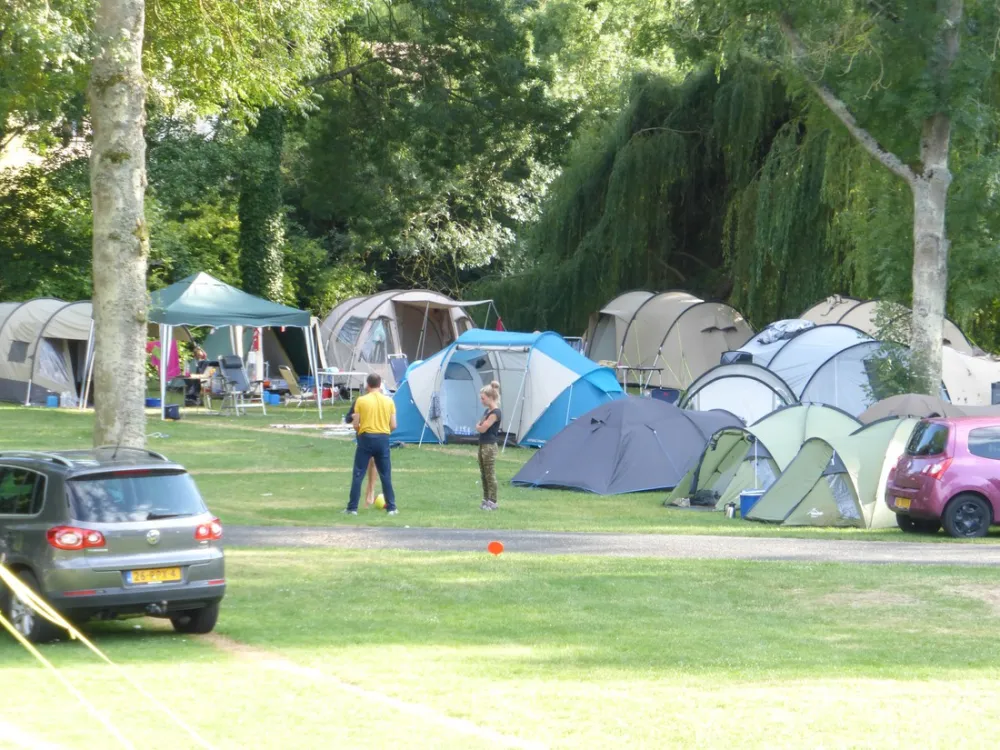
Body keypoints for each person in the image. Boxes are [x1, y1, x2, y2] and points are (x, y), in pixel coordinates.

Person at [345, 373, 397, 515]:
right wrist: (385, 432)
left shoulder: (361, 401)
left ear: (367, 385)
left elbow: (355, 423)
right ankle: (392, 507)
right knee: (385, 474)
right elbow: (394, 424)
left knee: (358, 474)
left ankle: (352, 508)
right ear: (380, 385)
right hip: (383, 438)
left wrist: (361, 432)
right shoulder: (389, 401)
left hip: (366, 438)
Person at [345, 397, 378, 507]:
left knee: (373, 462)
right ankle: (356, 501)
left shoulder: (383, 402)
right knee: (361, 468)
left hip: (377, 435)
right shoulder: (359, 401)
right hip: (363, 436)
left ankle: (370, 492)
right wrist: (353, 416)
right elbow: (348, 418)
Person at [475, 380, 502, 510]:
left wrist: (478, 427)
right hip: (482, 444)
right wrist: (479, 426)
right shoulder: (487, 412)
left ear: (490, 397)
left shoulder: (495, 413)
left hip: (489, 446)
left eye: (483, 398)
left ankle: (493, 500)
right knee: (483, 473)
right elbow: (480, 424)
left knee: (490, 473)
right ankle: (485, 498)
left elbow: (482, 428)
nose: (482, 401)